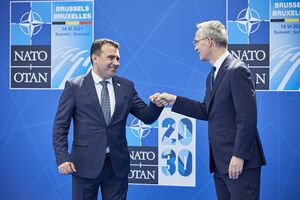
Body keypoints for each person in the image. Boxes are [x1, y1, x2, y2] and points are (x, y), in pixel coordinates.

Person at [152, 21, 266, 200]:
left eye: (197, 41)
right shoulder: (212, 75)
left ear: (209, 41)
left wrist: (239, 155)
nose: (195, 47)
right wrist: (174, 100)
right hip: (221, 164)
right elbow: (207, 111)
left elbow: (247, 118)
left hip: (239, 162)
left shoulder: (237, 70)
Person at [53, 39, 163, 200]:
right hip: (83, 165)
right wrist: (62, 158)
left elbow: (146, 117)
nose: (116, 63)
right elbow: (60, 127)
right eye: (111, 58)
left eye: (117, 58)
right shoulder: (74, 86)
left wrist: (156, 105)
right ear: (94, 58)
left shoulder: (126, 86)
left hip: (116, 166)